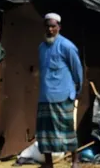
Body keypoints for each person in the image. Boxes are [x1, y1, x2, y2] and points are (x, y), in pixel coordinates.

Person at [37, 13, 83, 168]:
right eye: (48, 26)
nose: (50, 29)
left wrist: (77, 90)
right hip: (45, 96)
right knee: (44, 134)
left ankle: (75, 161)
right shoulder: (41, 47)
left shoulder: (67, 46)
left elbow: (77, 70)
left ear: (59, 27)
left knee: (67, 131)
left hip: (63, 95)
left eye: (53, 26)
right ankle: (48, 163)